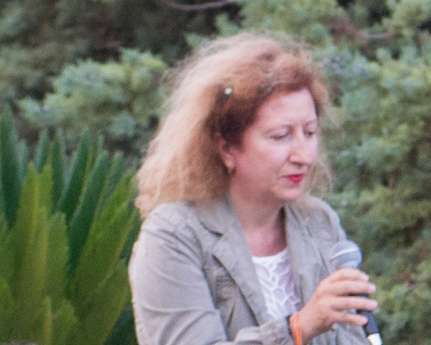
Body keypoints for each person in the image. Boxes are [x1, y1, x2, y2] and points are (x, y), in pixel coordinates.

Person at [130, 33, 375, 345]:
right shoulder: (174, 236)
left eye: (310, 132)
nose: (304, 155)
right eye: (280, 136)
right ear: (226, 148)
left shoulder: (320, 223)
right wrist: (299, 328)